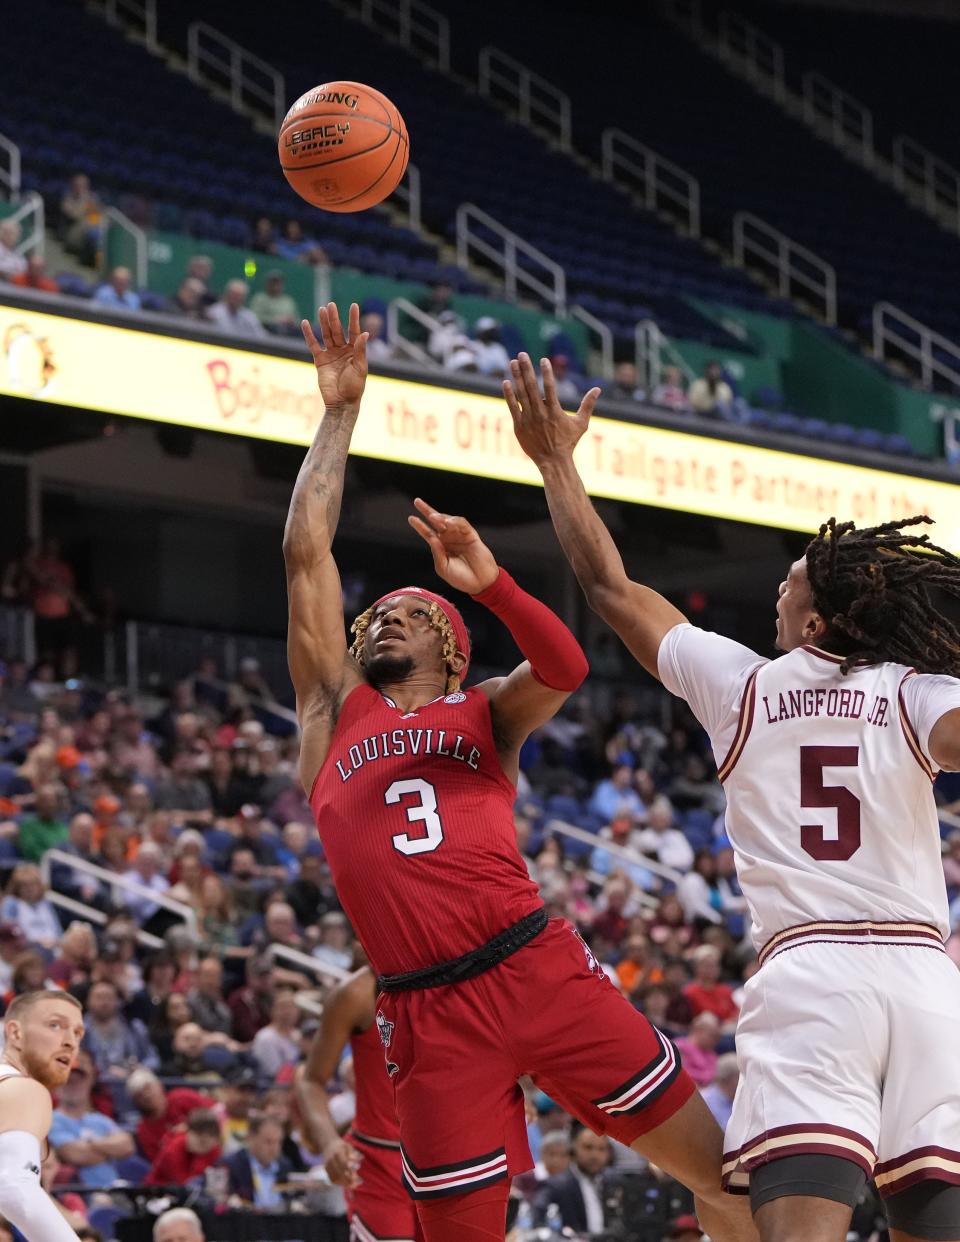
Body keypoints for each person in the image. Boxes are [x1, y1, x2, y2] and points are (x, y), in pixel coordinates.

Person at [285, 304, 753, 1242]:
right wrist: (339, 413)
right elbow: (306, 551)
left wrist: (492, 582)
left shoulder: (485, 712)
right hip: (422, 1012)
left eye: (410, 613)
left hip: (535, 964)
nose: (382, 620)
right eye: (374, 614)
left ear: (454, 653)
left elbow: (568, 667)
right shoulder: (331, 717)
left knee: (727, 1179)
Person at [505, 349, 960, 1242]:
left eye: (793, 578)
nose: (781, 585)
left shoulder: (742, 685)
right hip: (924, 981)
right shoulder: (916, 689)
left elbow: (610, 589)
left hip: (815, 978)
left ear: (817, 620)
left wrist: (557, 463)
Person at [296, 965, 417, 1241]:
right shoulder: (356, 992)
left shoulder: (459, 971)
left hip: (448, 1155)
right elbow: (310, 1079)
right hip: (380, 1161)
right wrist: (329, 1142)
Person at [0, 991, 86, 1242]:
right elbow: (15, 1189)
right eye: (55, 1025)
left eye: (78, 1033)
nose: (70, 1042)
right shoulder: (23, 1088)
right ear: (15, 1033)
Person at [50, 1047, 135, 1187]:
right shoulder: (52, 1120)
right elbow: (74, 1154)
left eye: (78, 1081)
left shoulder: (100, 1120)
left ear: (89, 1083)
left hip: (113, 1187)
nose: (74, 1086)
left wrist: (90, 1144)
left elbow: (127, 1145)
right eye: (68, 1081)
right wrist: (109, 1152)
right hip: (80, 1193)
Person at [127, 1067, 215, 1163]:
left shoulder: (182, 1096)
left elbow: (217, 1111)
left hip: (210, 1150)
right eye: (139, 1094)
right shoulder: (143, 1129)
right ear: (136, 1101)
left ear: (159, 1085)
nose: (146, 1095)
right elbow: (159, 1161)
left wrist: (191, 1128)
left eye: (148, 1088)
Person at [533, 1124, 611, 1233]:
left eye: (601, 1149)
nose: (595, 1155)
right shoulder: (556, 1185)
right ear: (573, 1149)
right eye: (588, 1147)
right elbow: (538, 1224)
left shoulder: (614, 1184)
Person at [220, 1114, 291, 1207]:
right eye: (269, 1142)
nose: (275, 1148)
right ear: (251, 1138)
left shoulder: (284, 1166)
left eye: (279, 1142)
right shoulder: (232, 1166)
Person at [146, 1107, 222, 1186]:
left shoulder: (213, 1148)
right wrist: (201, 1158)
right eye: (201, 1141)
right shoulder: (173, 1151)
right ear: (187, 1132)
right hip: (158, 1188)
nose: (204, 1146)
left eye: (209, 1140)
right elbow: (184, 1184)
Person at [701, 1053, 739, 1132]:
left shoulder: (739, 1100)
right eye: (739, 1077)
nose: (743, 1082)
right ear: (727, 1078)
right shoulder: (705, 1101)